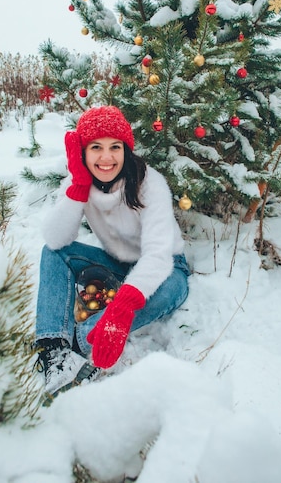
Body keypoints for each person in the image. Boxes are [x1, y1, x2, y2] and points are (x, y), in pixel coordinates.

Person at [35, 105, 191, 397]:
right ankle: (53, 348)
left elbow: (158, 255)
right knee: (52, 252)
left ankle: (84, 343)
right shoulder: (77, 181)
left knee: (90, 333)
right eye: (96, 147)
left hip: (167, 270)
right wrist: (79, 188)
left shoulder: (149, 184)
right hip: (117, 264)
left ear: (125, 150)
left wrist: (122, 306)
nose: (106, 158)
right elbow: (56, 239)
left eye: (114, 147)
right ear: (83, 151)